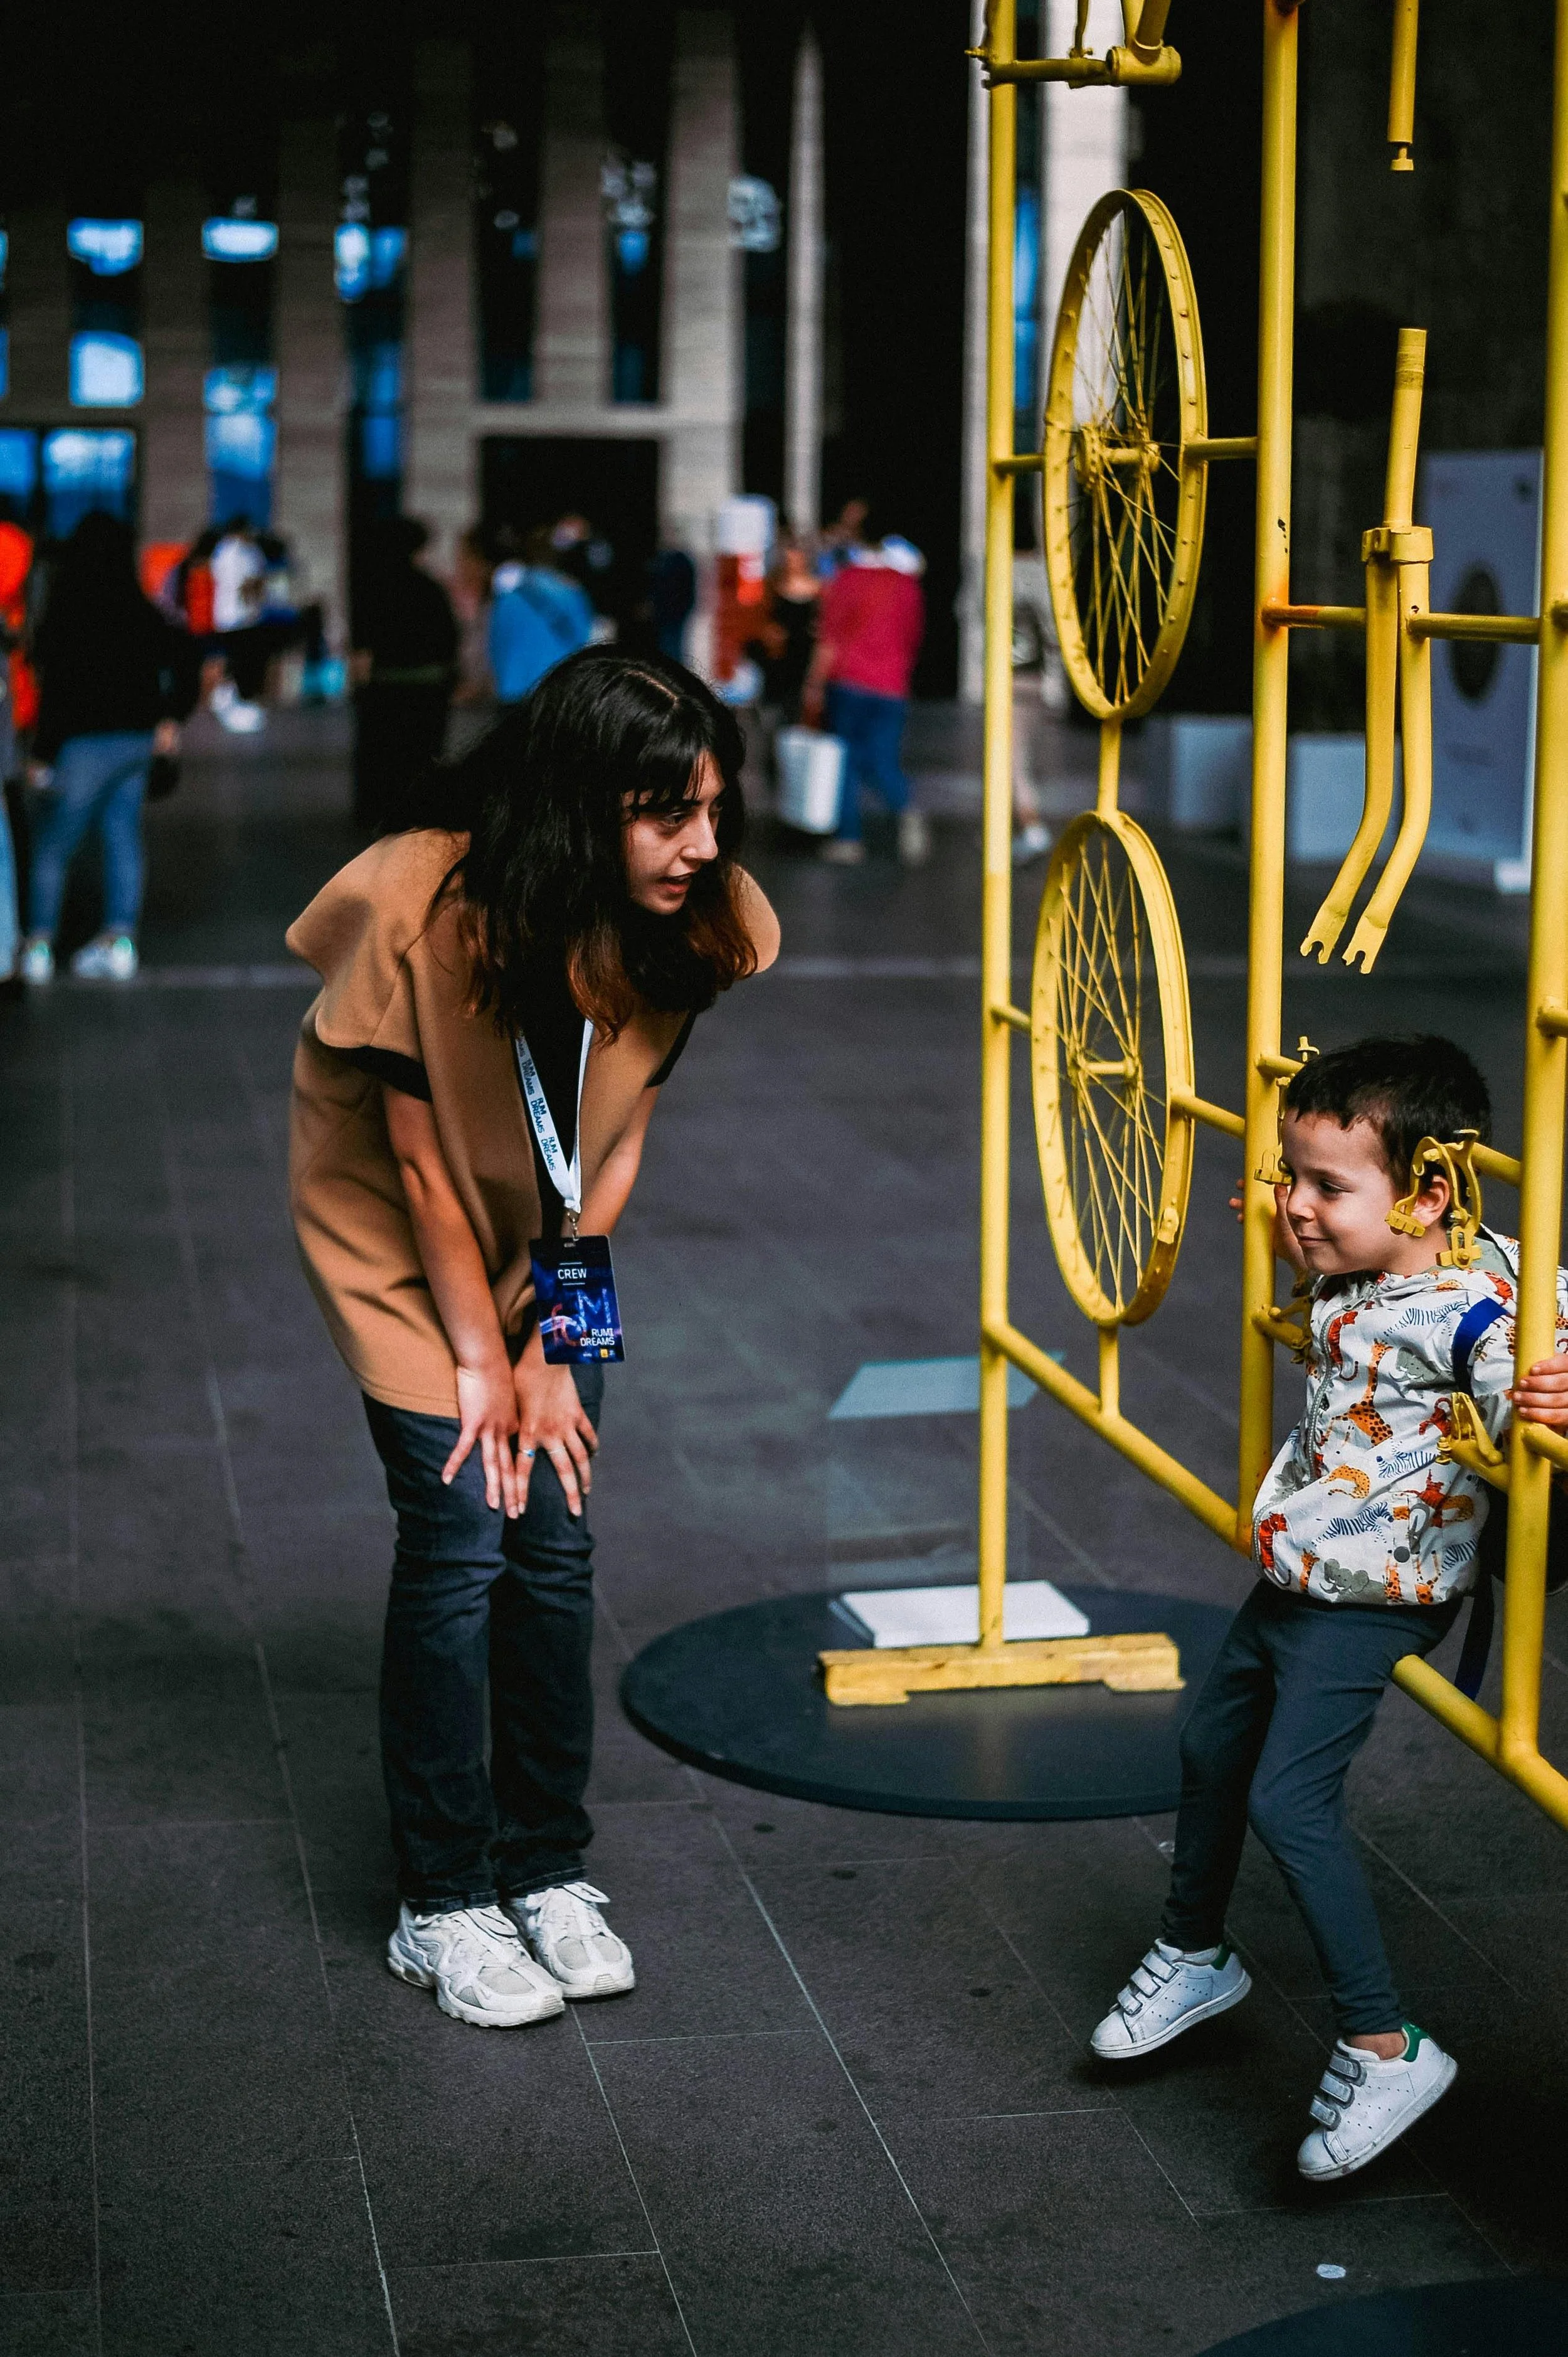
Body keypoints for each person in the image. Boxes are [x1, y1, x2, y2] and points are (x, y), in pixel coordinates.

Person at [285, 649, 780, 2031]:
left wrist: (552, 1350)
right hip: (397, 1237)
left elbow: (617, 1146)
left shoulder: (691, 911)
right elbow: (426, 1176)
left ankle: (545, 1867)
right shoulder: (421, 902)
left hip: (554, 1230)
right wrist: (479, 1367)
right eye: (659, 811)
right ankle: (440, 1902)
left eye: (711, 808)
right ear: (575, 804)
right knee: (459, 1534)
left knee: (554, 1532)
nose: (697, 844)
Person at [1090, 1036, 1568, 2180]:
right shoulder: (1376, 1253)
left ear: (1429, 1192)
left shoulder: (1469, 1313)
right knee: (1211, 1741)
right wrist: (1315, 1198)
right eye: (1285, 1177)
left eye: (1325, 1187)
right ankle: (1196, 1951)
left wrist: (1552, 1390)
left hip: (1379, 1592)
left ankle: (1383, 2039)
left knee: (1289, 1796)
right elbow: (1337, 1219)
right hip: (1307, 1564)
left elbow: (1519, 1371)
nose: (1294, 1209)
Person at [19, 512, 201, 985]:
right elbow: (187, 656)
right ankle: (119, 942)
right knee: (122, 838)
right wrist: (170, 715)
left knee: (53, 846)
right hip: (136, 743)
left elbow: (57, 692)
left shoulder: (66, 611)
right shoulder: (139, 609)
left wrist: (42, 753)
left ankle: (38, 944)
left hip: (83, 746)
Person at [803, 511, 929, 866]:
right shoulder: (907, 586)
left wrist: (813, 686)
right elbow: (913, 637)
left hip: (849, 682)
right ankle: (904, 807)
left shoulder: (844, 581)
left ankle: (848, 839)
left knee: (846, 760)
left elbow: (828, 640)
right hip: (892, 685)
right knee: (884, 757)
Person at [349, 517, 460, 831]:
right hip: (426, 688)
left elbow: (362, 645)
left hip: (386, 685)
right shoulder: (431, 589)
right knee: (422, 753)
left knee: (382, 754)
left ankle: (377, 812)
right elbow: (448, 639)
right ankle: (420, 811)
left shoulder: (373, 588)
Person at [488, 526, 595, 706]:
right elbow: (583, 639)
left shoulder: (509, 596)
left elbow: (496, 641)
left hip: (513, 688)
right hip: (557, 688)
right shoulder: (571, 593)